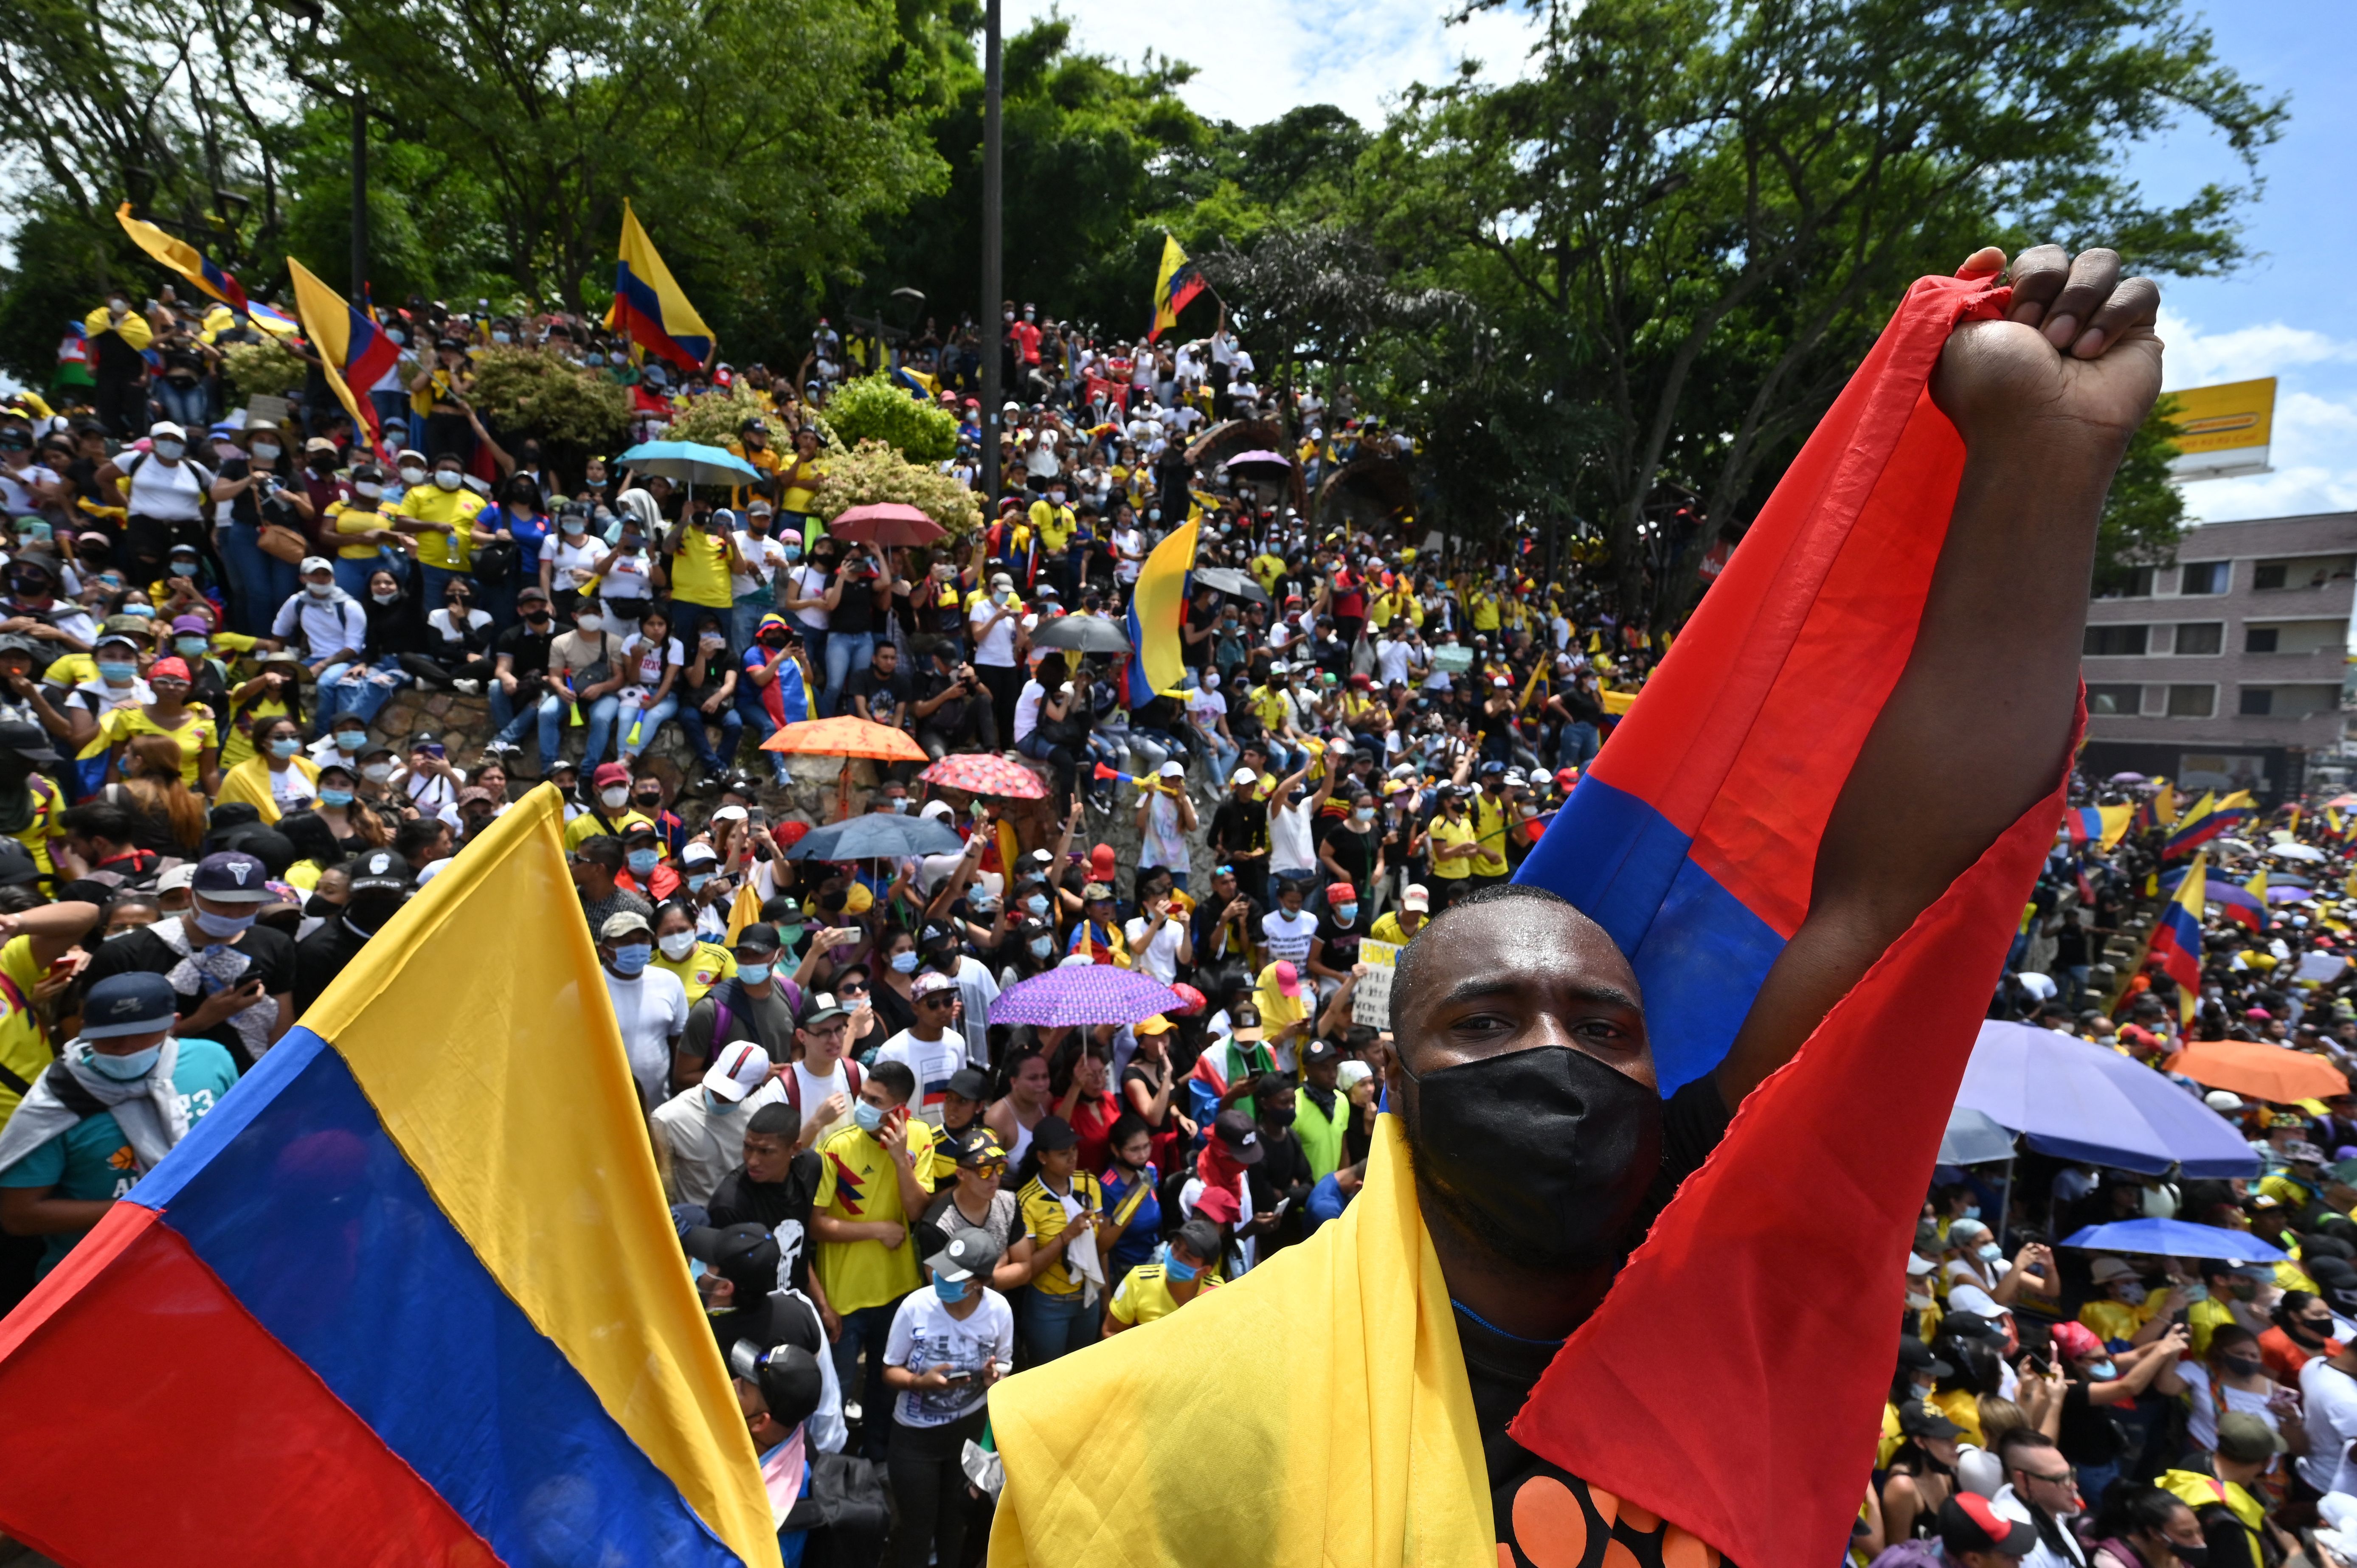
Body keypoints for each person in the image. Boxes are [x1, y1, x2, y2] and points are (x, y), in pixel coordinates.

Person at [0, 972, 238, 1276]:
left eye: (142, 1034)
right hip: (98, 1276)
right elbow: (20, 1216)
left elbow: (238, 1142)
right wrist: (151, 1209)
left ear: (173, 1023)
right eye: (109, 1036)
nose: (125, 1046)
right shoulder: (57, 1100)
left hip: (207, 1261)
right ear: (84, 1030)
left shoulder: (212, 1060)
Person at [811, 1059, 938, 1459]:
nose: (862, 1105)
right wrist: (877, 1230)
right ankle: (835, 1468)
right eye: (863, 1096)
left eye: (874, 1100)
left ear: (900, 1109)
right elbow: (816, 1225)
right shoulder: (837, 1147)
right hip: (844, 1297)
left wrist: (902, 1159)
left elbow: (917, 1210)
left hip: (897, 1293)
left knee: (886, 1389)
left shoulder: (920, 1138)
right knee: (838, 1391)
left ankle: (877, 1459)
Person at [79, 849, 293, 1071]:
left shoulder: (275, 944)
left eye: (248, 903)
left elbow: (282, 1027)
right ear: (190, 896)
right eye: (222, 903)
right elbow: (101, 1039)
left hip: (251, 1074)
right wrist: (201, 1021)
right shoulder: (125, 953)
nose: (235, 913)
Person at [880, 1231, 1011, 1568]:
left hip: (966, 1435)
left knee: (954, 1527)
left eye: (952, 1276)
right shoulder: (915, 1308)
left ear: (978, 1283)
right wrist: (918, 1382)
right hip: (914, 1438)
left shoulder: (999, 1312)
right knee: (917, 1531)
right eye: (940, 1270)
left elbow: (1003, 1370)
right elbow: (889, 1370)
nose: (940, 1279)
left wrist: (992, 1378)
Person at [1012, 1113, 1113, 1364]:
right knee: (1047, 1378)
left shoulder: (1089, 1183)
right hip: (1049, 1305)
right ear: (1042, 1158)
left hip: (1088, 1296)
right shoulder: (1028, 1200)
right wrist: (1066, 1236)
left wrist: (1106, 1294)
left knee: (1081, 1373)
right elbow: (1028, 1269)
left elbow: (1101, 1249)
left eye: (1074, 1149)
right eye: (1062, 1153)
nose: (1073, 1158)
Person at [706, 1102, 827, 1306]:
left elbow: (801, 1246)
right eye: (748, 1148)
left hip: (797, 1306)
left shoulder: (810, 1169)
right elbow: (721, 1280)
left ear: (795, 1149)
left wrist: (820, 1303)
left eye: (765, 1152)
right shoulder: (730, 1203)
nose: (752, 1161)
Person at [649, 1040, 788, 1209]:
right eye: (718, 1087)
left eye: (731, 1094)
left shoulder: (762, 1107)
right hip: (699, 1225)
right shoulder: (667, 1119)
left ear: (754, 1089)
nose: (719, 1097)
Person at [291, 848, 411, 1012]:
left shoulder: (417, 934)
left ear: (404, 891)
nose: (375, 900)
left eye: (386, 893)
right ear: (350, 892)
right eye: (366, 893)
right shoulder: (318, 951)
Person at [597, 908, 688, 1107]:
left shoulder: (669, 982)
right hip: (604, 1107)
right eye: (625, 942)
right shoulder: (587, 989)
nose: (636, 947)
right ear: (604, 949)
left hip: (660, 1106)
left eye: (642, 940)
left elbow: (678, 1042)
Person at [873, 971, 966, 1127]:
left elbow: (959, 1091)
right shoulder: (892, 1051)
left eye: (948, 1002)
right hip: (909, 1143)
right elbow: (878, 1103)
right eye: (933, 1004)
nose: (942, 1009)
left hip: (947, 1139)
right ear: (915, 1009)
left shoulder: (957, 1042)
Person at [1104, 1217, 1223, 1335]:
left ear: (1205, 1271)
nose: (1176, 1257)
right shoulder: (1137, 1280)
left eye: (1187, 1257)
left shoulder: (1217, 1292)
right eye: (1176, 1247)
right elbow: (1110, 1331)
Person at [1991, 1428, 2090, 1568]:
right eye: (2060, 1479)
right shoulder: (2026, 1553)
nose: (2074, 1486)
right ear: (2024, 1481)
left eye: (2071, 1474)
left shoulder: (2017, 1494)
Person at [2085, 1484, 2207, 1568]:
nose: (2199, 1542)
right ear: (2155, 1533)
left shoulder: (2178, 1560)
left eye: (2199, 1531)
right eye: (2186, 1534)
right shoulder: (2110, 1562)